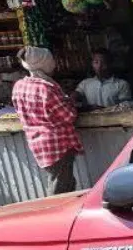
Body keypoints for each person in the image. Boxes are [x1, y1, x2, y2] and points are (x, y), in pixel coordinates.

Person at [12, 46, 83, 194]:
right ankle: (56, 210)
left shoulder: (19, 86)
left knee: (62, 182)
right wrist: (70, 102)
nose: (54, 65)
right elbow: (69, 116)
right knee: (61, 188)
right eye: (51, 61)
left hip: (37, 144)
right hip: (57, 145)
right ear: (44, 64)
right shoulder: (47, 88)